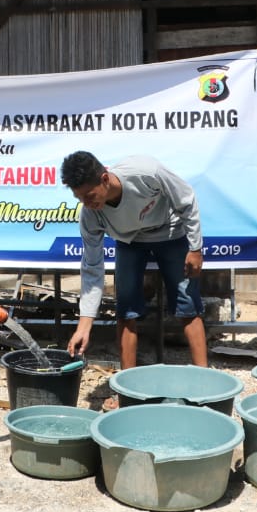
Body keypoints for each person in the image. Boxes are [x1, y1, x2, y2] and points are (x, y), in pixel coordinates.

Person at [62, 151, 208, 383]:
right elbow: (92, 268)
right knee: (126, 309)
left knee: (187, 303)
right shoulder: (90, 215)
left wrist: (195, 248)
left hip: (170, 232)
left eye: (90, 196)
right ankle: (126, 386)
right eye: (80, 199)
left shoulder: (146, 172)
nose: (87, 204)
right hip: (130, 242)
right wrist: (84, 325)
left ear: (105, 179)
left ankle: (207, 380)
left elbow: (187, 200)